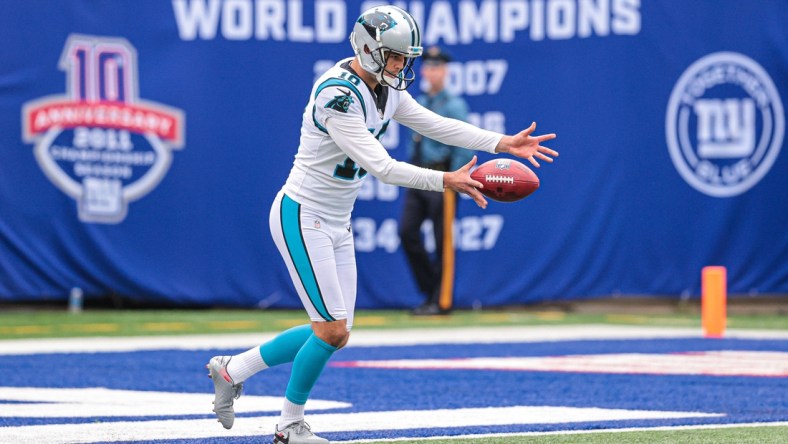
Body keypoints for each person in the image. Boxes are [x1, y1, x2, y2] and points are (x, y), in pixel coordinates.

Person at [207, 5, 558, 444]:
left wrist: (500, 141)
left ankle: (232, 369)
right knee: (331, 329)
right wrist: (446, 180)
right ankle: (288, 426)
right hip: (303, 214)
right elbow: (381, 167)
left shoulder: (385, 88)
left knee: (333, 332)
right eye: (394, 57)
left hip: (338, 220)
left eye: (404, 58)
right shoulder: (337, 95)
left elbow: (436, 125)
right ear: (369, 49)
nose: (401, 66)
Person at [400, 46, 472, 316]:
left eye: (437, 67)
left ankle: (441, 301)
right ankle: (429, 289)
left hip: (443, 176)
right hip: (418, 176)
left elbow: (464, 143)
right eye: (428, 67)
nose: (432, 72)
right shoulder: (418, 100)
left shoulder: (454, 105)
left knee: (443, 241)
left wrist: (455, 177)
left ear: (446, 71)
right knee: (407, 232)